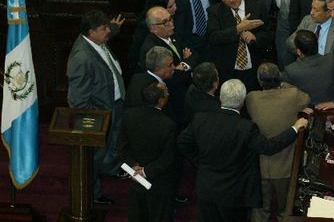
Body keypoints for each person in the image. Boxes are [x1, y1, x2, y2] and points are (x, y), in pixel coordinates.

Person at [178, 79, 309, 222]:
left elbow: (182, 142)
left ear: (221, 97)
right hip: (233, 194)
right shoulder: (245, 128)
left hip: (206, 190)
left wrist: (200, 161)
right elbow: (268, 147)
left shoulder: (200, 119)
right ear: (242, 101)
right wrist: (295, 128)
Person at [66, 9, 125, 205]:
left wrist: (113, 28)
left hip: (114, 106)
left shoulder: (97, 40)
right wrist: (97, 121)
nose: (108, 31)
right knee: (92, 157)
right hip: (100, 115)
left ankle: (110, 168)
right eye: (104, 28)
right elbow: (78, 100)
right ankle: (93, 197)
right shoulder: (82, 58)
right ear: (91, 32)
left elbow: (109, 32)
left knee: (113, 144)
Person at [246, 63, 311, 222]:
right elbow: (307, 99)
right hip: (285, 167)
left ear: (260, 81)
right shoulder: (292, 95)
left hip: (259, 166)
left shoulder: (251, 98)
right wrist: (281, 83)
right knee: (286, 211)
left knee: (260, 212)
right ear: (279, 79)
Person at [118, 82, 177, 222]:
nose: (168, 94)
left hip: (135, 180)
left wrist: (134, 168)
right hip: (159, 184)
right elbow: (168, 158)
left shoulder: (129, 115)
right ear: (161, 100)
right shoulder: (168, 125)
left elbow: (122, 147)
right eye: (166, 93)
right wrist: (145, 172)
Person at [206, 0, 273, 92]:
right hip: (229, 70)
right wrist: (238, 28)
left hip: (253, 69)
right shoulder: (214, 11)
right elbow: (213, 37)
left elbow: (270, 34)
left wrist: (255, 37)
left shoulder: (257, 7)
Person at [283, 30, 334, 105]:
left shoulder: (291, 70)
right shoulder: (332, 60)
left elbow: (286, 97)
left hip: (307, 111)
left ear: (299, 52)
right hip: (333, 109)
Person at [129, 0, 177, 73]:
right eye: (170, 6)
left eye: (175, 3)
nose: (175, 8)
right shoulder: (148, 38)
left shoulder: (170, 26)